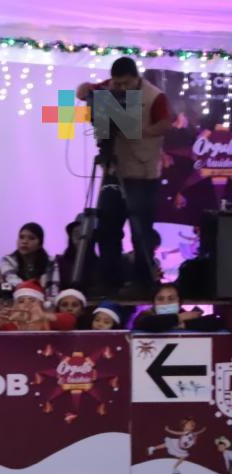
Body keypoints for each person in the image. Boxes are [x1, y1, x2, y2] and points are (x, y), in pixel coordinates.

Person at [77, 57, 173, 295]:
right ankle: (110, 280)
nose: (120, 88)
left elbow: (164, 125)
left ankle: (143, 281)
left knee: (141, 230)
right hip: (113, 170)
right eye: (117, 84)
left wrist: (138, 129)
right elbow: (80, 92)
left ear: (136, 77)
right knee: (107, 228)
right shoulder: (109, 88)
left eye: (126, 84)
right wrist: (89, 90)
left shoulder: (154, 95)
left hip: (143, 174)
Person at [0, 280, 77, 331]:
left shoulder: (48, 322)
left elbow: (70, 320)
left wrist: (45, 316)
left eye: (32, 300)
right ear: (15, 306)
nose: (26, 305)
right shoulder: (10, 324)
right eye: (21, 301)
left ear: (41, 304)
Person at [132, 283, 224, 332]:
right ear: (154, 303)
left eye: (171, 299)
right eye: (160, 299)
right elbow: (149, 323)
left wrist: (184, 325)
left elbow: (214, 322)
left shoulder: (187, 317)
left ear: (179, 302)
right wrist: (180, 318)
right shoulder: (144, 317)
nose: (166, 303)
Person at [0, 223, 59, 296]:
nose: (24, 242)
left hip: (42, 303)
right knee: (0, 287)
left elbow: (53, 290)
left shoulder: (51, 262)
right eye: (21, 237)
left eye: (31, 238)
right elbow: (13, 283)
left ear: (40, 244)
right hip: (16, 300)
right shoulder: (8, 260)